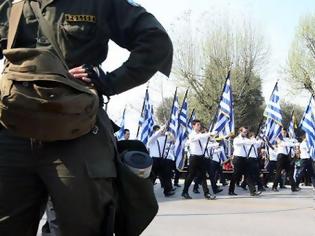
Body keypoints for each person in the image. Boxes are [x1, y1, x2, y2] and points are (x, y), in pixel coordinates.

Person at [0, 0, 173, 235]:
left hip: (77, 128)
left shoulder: (98, 3)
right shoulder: (10, 5)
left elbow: (155, 41)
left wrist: (110, 82)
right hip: (13, 129)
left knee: (82, 225)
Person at [181, 120, 216, 200]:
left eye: (200, 125)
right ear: (193, 126)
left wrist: (212, 139)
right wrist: (208, 134)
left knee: (203, 176)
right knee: (191, 175)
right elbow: (197, 138)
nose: (199, 126)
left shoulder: (201, 135)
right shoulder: (192, 134)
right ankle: (185, 192)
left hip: (201, 157)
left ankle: (207, 193)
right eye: (197, 125)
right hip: (194, 157)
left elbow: (205, 144)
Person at [228, 127, 261, 196]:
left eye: (246, 132)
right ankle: (231, 190)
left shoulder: (246, 139)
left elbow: (253, 144)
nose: (245, 133)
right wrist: (252, 141)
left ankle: (253, 191)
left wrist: (257, 141)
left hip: (245, 159)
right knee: (235, 175)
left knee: (248, 175)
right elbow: (244, 142)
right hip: (238, 158)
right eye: (244, 132)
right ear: (240, 132)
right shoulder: (236, 139)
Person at [147, 125, 175, 197]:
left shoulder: (163, 139)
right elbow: (155, 135)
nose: (161, 132)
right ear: (154, 131)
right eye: (158, 130)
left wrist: (170, 134)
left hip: (162, 159)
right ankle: (147, 192)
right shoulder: (152, 139)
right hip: (154, 160)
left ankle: (167, 191)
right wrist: (160, 130)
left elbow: (172, 140)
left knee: (166, 176)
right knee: (152, 177)